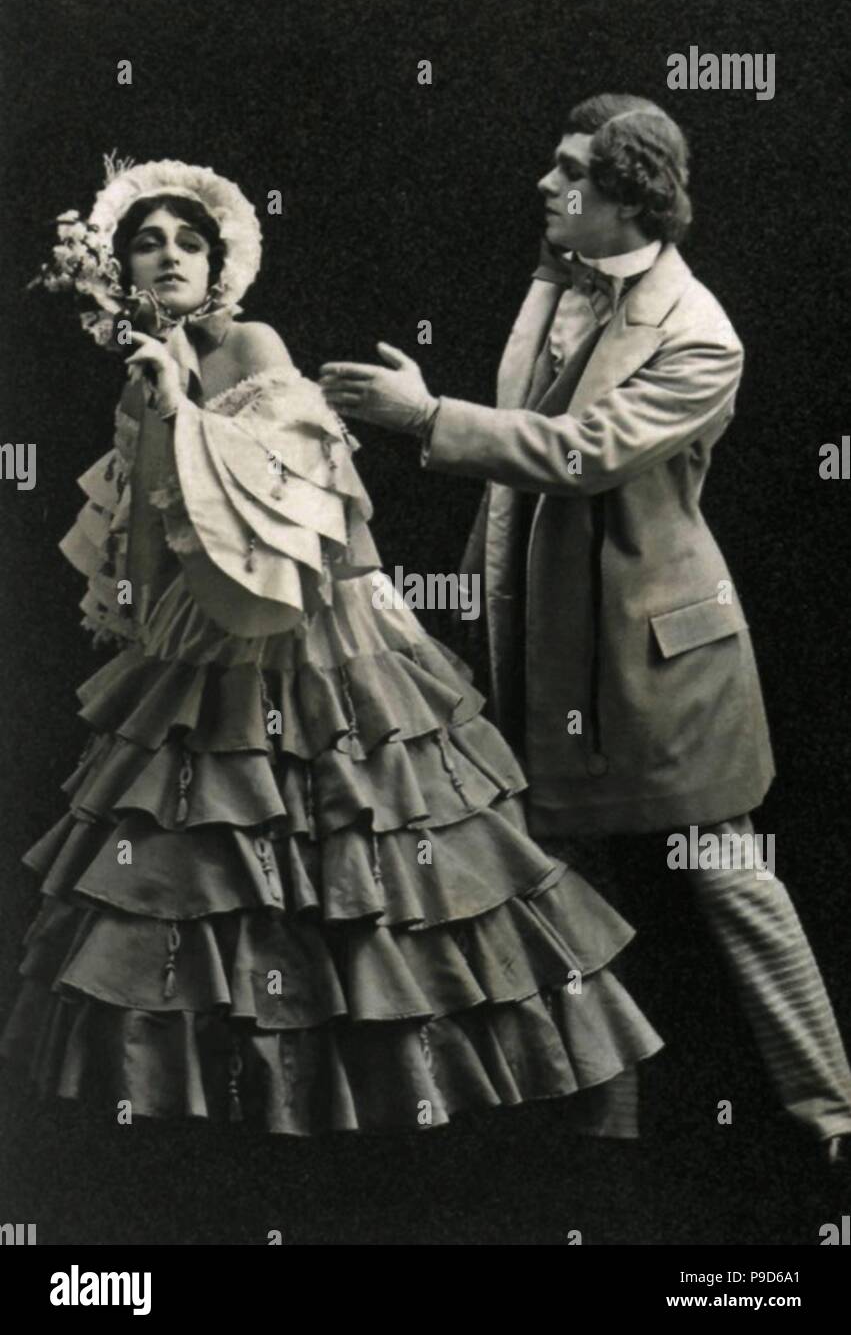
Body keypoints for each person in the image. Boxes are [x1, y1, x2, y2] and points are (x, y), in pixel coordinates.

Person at [0, 154, 664, 1137]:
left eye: (189, 240)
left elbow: (282, 506)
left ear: (220, 264)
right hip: (201, 652)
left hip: (311, 633)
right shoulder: (143, 379)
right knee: (217, 873)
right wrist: (152, 407)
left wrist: (180, 406)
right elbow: (143, 565)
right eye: (148, 241)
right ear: (120, 275)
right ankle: (267, 1117)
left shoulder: (252, 343)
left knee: (394, 859)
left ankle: (582, 1090)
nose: (171, 256)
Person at [319, 93, 851, 1164]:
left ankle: (829, 1116)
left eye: (571, 173)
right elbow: (519, 471)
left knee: (727, 874)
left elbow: (579, 453)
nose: (545, 185)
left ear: (632, 196)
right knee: (559, 877)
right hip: (540, 643)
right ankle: (598, 1127)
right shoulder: (555, 282)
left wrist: (426, 417)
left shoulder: (699, 336)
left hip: (655, 659)